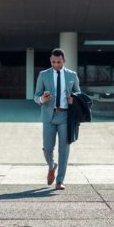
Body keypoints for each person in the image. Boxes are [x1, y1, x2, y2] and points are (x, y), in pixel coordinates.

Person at [34, 48, 81, 190]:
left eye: (58, 62)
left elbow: (78, 92)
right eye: (53, 62)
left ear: (64, 61)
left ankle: (60, 180)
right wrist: (42, 99)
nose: (55, 64)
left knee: (64, 150)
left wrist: (74, 99)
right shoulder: (43, 75)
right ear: (50, 60)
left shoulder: (72, 75)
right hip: (48, 115)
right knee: (47, 148)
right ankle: (51, 165)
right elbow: (36, 96)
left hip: (65, 116)